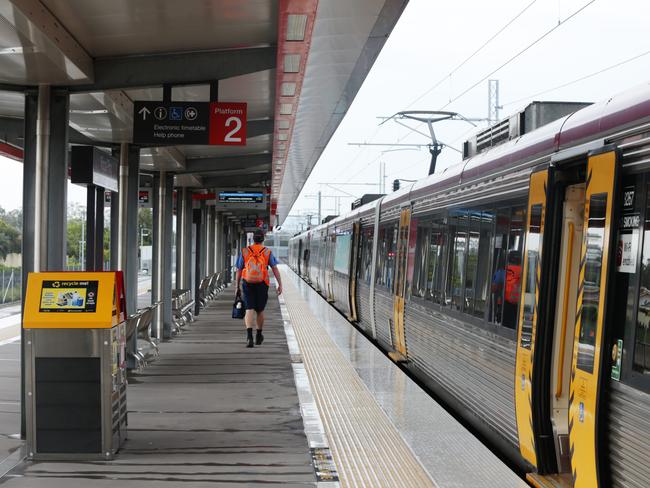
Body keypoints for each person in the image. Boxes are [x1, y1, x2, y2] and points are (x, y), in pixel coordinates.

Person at [235, 228, 283, 348]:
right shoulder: (267, 252)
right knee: (260, 310)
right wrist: (280, 284)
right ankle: (259, 335)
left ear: (253, 238)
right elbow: (275, 268)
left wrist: (237, 286)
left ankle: (249, 337)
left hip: (247, 282)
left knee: (249, 309)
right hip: (262, 283)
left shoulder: (245, 251)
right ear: (263, 239)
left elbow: (239, 270)